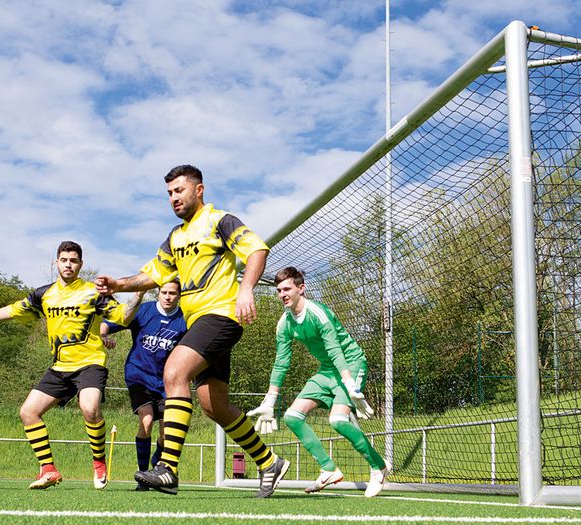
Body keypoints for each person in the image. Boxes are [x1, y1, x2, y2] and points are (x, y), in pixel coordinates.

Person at [95, 164, 288, 496]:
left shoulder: (220, 220)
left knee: (174, 372)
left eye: (179, 190)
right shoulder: (175, 237)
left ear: (199, 190)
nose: (173, 198)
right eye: (169, 193)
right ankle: (269, 462)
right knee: (214, 406)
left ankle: (168, 468)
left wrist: (246, 290)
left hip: (222, 315)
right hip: (200, 323)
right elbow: (153, 275)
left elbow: (257, 250)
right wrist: (119, 284)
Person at [0, 241, 139, 489]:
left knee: (89, 408)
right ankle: (48, 470)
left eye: (73, 260)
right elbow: (13, 310)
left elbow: (123, 316)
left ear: (81, 265)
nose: (68, 264)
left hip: (90, 363)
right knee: (28, 412)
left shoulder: (94, 293)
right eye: (64, 260)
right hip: (59, 367)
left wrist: (139, 293)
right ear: (56, 262)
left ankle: (99, 461)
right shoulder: (43, 294)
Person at [248, 266, 392, 497]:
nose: (282, 294)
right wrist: (269, 400)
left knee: (337, 420)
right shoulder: (284, 323)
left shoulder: (318, 313)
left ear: (301, 288)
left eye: (287, 288)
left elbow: (335, 349)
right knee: (292, 417)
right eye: (278, 290)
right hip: (326, 371)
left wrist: (349, 383)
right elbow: (281, 361)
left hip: (350, 364)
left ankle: (379, 466)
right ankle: (328, 469)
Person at [100, 281, 187, 490]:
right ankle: (143, 477)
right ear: (158, 293)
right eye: (164, 292)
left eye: (172, 293)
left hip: (167, 382)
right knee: (146, 421)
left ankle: (157, 466)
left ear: (179, 296)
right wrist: (103, 334)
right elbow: (110, 322)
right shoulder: (144, 311)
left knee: (167, 434)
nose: (167, 297)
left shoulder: (184, 320)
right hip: (138, 376)